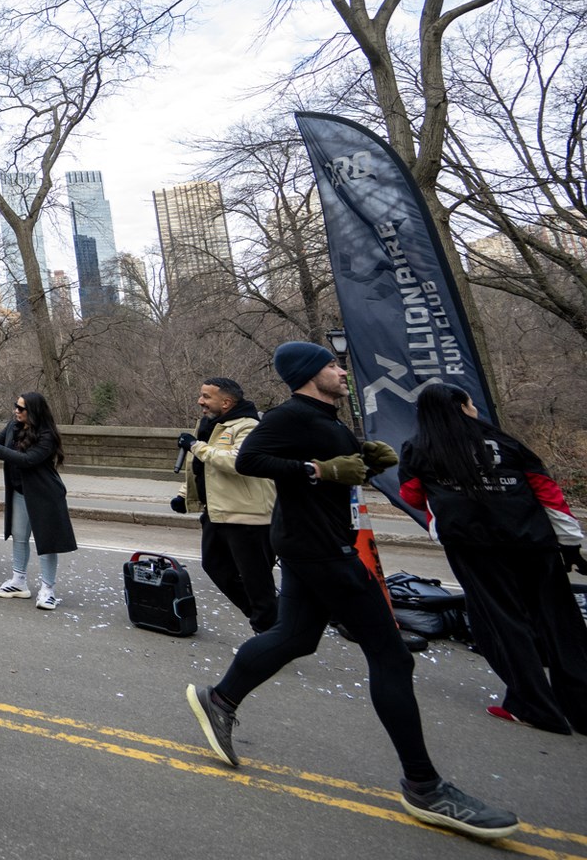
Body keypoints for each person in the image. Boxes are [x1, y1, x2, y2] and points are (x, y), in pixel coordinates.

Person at [184, 341, 520, 842]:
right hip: (320, 551)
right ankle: (424, 786)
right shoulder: (291, 415)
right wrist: (319, 470)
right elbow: (252, 459)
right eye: (331, 365)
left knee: (295, 637)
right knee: (392, 657)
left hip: (315, 544)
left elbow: (324, 465)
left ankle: (220, 698)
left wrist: (359, 459)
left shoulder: (326, 419)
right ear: (308, 373)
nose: (341, 371)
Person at [399, 382, 587, 734]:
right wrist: (570, 542)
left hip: (472, 547)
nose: (475, 409)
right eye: (470, 404)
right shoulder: (505, 442)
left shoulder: (419, 448)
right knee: (560, 622)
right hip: (532, 540)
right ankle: (582, 705)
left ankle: (534, 705)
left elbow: (411, 495)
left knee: (502, 624)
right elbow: (546, 490)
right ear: (462, 406)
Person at [179, 378, 277, 632]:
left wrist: (195, 446)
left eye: (206, 397)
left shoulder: (249, 426)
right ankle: (271, 618)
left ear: (226, 402)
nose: (200, 401)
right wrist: (184, 494)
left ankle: (268, 630)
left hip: (247, 516)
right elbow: (200, 468)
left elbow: (237, 462)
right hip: (216, 512)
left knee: (256, 579)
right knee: (215, 566)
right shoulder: (210, 425)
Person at [0, 392, 76, 609]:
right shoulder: (13, 426)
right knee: (19, 536)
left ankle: (48, 589)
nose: (16, 411)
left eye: (21, 408)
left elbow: (27, 460)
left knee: (47, 542)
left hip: (45, 494)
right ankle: (18, 581)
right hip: (20, 490)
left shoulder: (47, 435)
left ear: (34, 411)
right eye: (16, 406)